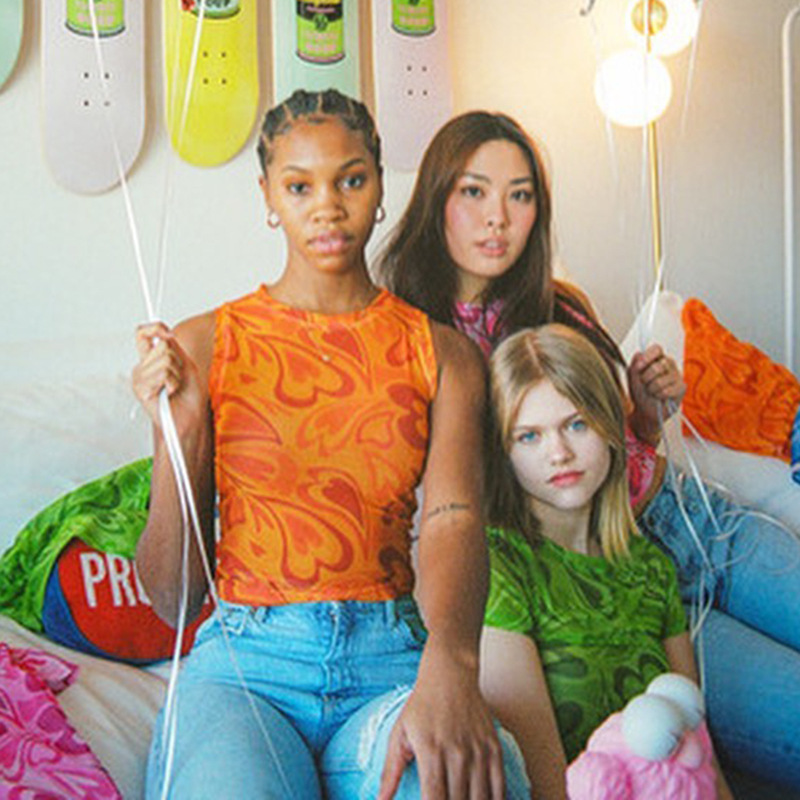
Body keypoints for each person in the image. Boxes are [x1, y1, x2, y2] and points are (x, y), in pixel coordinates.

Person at [379, 110, 800, 788]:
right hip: (608, 574)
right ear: (436, 199)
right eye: (474, 191)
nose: (498, 218)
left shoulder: (562, 305)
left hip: (687, 518)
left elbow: (617, 444)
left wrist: (645, 411)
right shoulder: (409, 345)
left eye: (520, 195)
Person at [132, 90, 528, 800]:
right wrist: (179, 433)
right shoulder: (204, 344)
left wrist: (453, 663)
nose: (327, 207)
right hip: (246, 671)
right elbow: (174, 598)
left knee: (464, 781)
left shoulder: (442, 354)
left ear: (379, 187)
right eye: (299, 187)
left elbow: (453, 519)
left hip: (392, 660)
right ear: (267, 197)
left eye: (351, 180)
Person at [478, 323, 733, 799]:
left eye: (577, 424)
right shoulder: (499, 564)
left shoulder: (650, 567)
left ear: (611, 428)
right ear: (503, 452)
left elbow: (698, 755)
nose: (559, 453)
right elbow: (544, 783)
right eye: (529, 436)